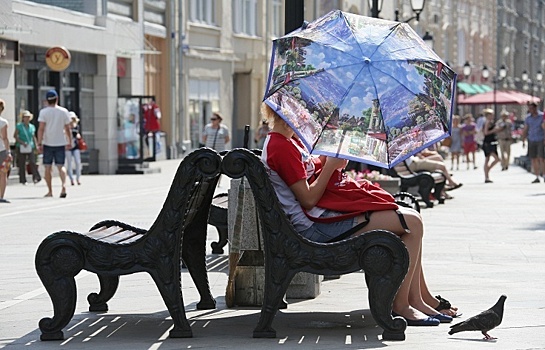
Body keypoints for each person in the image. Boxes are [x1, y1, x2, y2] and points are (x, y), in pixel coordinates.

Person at [260, 102, 458, 326]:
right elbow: (308, 198)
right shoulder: (280, 146)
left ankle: (419, 299)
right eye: (302, 109)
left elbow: (313, 175)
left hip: (324, 216)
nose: (308, 115)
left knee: (412, 218)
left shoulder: (290, 141)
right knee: (412, 223)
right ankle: (402, 305)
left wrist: (329, 161)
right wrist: (329, 167)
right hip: (316, 227)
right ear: (285, 113)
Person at [37, 90, 72, 198]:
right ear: (57, 99)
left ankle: (50, 191)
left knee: (48, 167)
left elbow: (41, 129)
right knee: (61, 166)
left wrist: (39, 143)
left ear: (47, 100)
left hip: (48, 143)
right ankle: (63, 186)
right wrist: (69, 141)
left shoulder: (44, 112)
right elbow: (67, 128)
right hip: (60, 142)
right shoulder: (64, 111)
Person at [14, 110, 41, 184]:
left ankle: (36, 177)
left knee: (32, 161)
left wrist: (36, 146)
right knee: (22, 163)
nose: (27, 118)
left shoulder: (32, 127)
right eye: (25, 117)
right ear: (23, 118)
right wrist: (22, 142)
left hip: (30, 146)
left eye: (28, 117)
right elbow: (15, 136)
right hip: (21, 146)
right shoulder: (19, 126)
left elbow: (33, 137)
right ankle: (23, 180)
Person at [521, 102, 545, 183]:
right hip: (531, 139)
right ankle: (537, 176)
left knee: (542, 158)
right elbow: (525, 129)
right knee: (533, 159)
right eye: (529, 108)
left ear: (535, 108)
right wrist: (523, 140)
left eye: (532, 108)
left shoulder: (542, 116)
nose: (530, 110)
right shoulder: (528, 118)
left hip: (541, 139)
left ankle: (544, 175)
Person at [482, 108, 500, 183]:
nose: (492, 116)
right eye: (491, 115)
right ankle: (487, 173)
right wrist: (494, 130)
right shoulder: (487, 122)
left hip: (492, 141)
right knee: (495, 159)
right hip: (488, 143)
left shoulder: (491, 122)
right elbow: (486, 133)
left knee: (489, 159)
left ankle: (487, 175)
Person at [65, 112, 82, 186]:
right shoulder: (65, 127)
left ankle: (78, 178)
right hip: (68, 146)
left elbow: (78, 135)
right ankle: (71, 179)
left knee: (78, 162)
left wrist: (78, 135)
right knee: (69, 163)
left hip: (75, 146)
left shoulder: (76, 127)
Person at [0, 99, 12, 203]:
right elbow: (5, 138)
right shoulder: (3, 122)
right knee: (3, 173)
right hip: (1, 150)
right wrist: (8, 151)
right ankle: (1, 196)